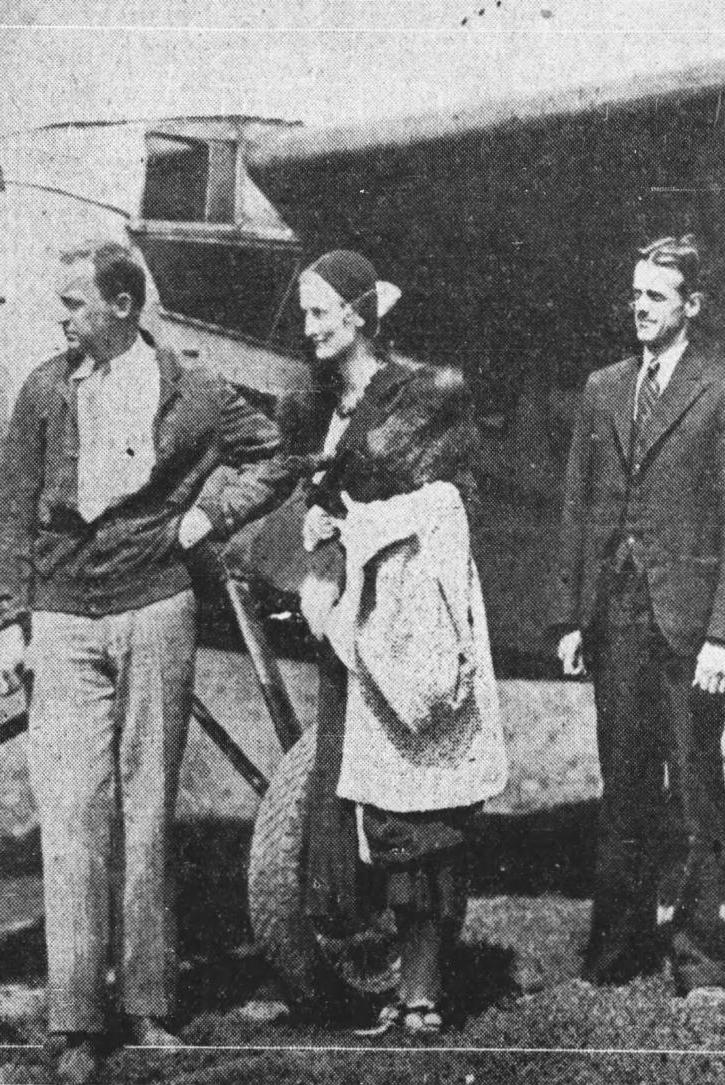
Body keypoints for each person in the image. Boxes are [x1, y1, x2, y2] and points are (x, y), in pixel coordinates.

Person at [0, 241, 294, 1081]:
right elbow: (12, 510)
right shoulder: (46, 389)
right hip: (61, 619)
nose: (62, 317)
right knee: (72, 810)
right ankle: (76, 1020)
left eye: (76, 303)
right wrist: (9, 624)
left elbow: (272, 453)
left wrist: (205, 522)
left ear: (123, 306)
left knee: (147, 809)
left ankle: (149, 1007)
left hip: (157, 608)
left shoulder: (190, 388)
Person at [293, 250, 508, 1034]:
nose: (309, 327)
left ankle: (423, 990)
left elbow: (447, 503)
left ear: (356, 314)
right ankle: (397, 982)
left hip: (409, 623)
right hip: (351, 625)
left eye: (320, 312)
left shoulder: (424, 396)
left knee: (424, 805)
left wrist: (357, 522)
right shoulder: (322, 403)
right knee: (375, 809)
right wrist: (319, 521)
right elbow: (326, 494)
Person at [549, 235, 725, 998]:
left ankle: (699, 953)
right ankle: (617, 950)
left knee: (698, 789)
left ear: (692, 306)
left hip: (689, 628)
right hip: (619, 621)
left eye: (657, 295)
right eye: (635, 292)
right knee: (624, 786)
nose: (640, 306)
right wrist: (571, 618)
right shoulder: (602, 388)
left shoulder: (724, 393)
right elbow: (577, 509)